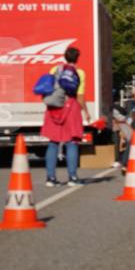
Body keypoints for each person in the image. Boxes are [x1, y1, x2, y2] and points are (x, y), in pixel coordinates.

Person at [41, 47, 89, 187]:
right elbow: (79, 95)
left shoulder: (54, 69)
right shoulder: (79, 73)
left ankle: (50, 178)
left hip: (54, 106)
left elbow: (48, 88)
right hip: (71, 106)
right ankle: (72, 177)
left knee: (53, 142)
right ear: (77, 58)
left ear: (65, 57)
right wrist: (85, 111)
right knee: (72, 141)